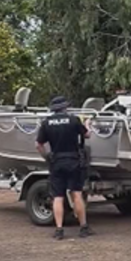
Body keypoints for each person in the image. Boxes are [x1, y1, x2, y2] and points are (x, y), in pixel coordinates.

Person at [36, 96, 92, 240]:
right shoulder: (74, 120)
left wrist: (47, 157)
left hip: (57, 162)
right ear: (65, 108)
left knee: (58, 197)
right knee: (76, 194)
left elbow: (38, 144)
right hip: (73, 161)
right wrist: (88, 124)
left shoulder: (46, 123)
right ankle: (83, 228)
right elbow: (87, 134)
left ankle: (59, 230)